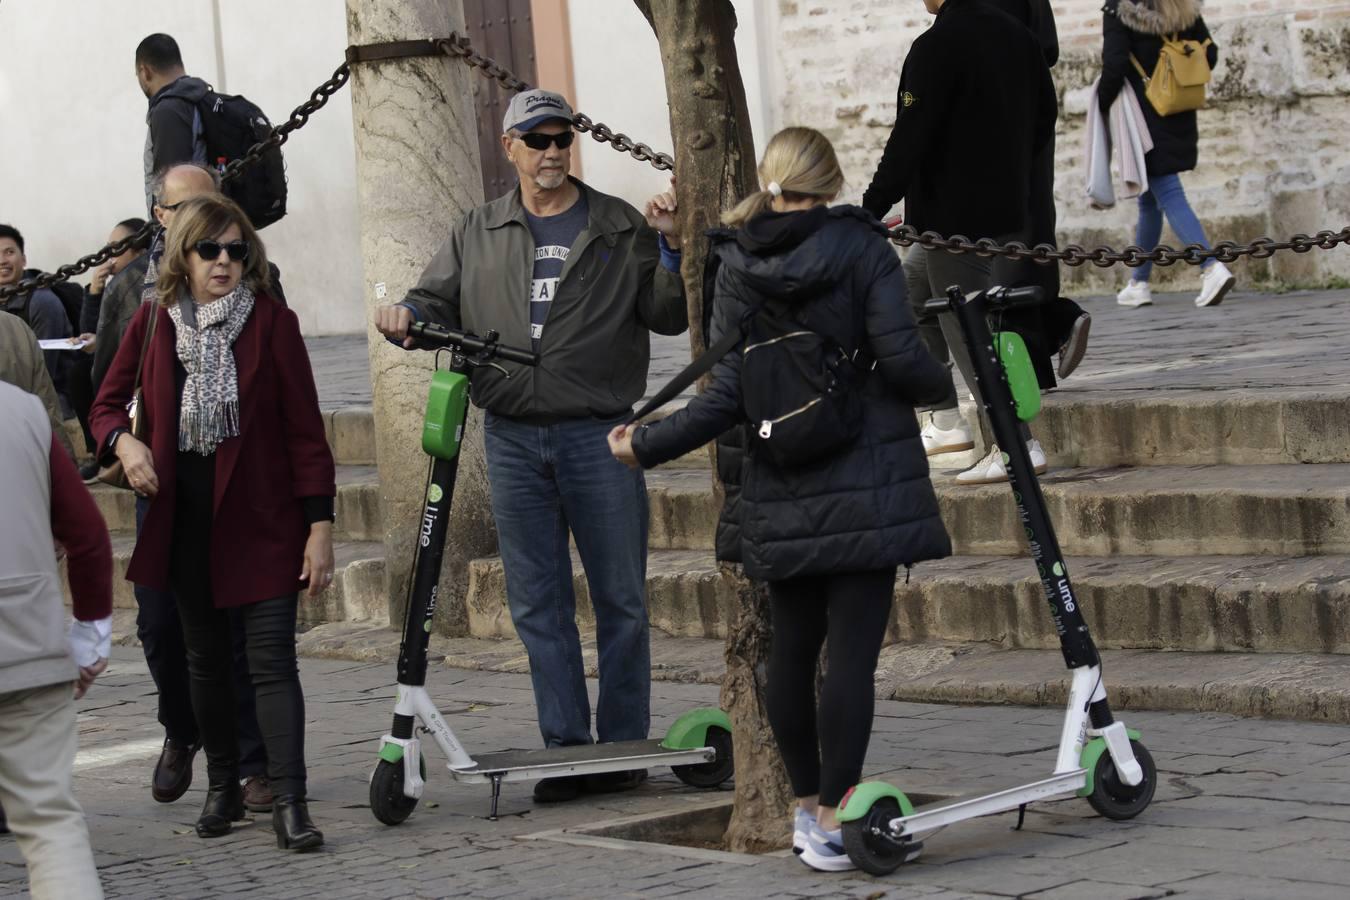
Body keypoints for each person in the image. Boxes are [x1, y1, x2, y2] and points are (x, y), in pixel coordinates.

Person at [609, 127, 952, 873]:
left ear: (771, 181)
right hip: (864, 476)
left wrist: (648, 444)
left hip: (779, 474)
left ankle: (805, 812)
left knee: (792, 654)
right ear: (830, 184)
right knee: (852, 660)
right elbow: (899, 355)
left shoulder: (735, 257)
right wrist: (945, 383)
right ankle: (839, 815)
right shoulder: (862, 249)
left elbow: (725, 390)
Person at [374, 89, 687, 803]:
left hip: (598, 435)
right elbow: (432, 300)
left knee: (621, 599)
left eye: (561, 139)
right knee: (537, 604)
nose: (551, 152)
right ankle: (569, 752)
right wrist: (408, 314)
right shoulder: (477, 229)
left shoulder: (615, 223)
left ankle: (623, 749)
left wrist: (670, 244)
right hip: (511, 438)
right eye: (537, 140)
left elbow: (667, 316)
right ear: (509, 146)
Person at [91, 195, 334, 851]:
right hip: (186, 524)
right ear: (184, 256)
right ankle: (223, 787)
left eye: (236, 251)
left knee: (272, 665)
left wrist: (320, 526)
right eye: (210, 250)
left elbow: (307, 435)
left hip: (263, 524)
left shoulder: (273, 325)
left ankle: (289, 802)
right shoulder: (152, 324)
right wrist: (125, 444)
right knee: (204, 666)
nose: (224, 263)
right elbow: (105, 407)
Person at [862, 0, 1057, 485]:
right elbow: (1044, 118)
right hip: (994, 210)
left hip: (953, 218)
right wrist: (1008, 177)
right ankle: (945, 421)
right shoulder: (1019, 38)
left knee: (966, 329)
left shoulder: (935, 46)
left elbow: (909, 137)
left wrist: (869, 207)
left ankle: (1018, 443)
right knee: (910, 296)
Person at [0, 380, 112, 899]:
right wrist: (90, 637)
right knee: (50, 825)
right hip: (29, 646)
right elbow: (87, 534)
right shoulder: (20, 409)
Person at [1100, 0, 1233, 309]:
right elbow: (1209, 54)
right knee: (1150, 200)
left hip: (1144, 115)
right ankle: (1139, 282)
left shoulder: (1118, 9)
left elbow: (1115, 64)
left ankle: (1210, 267)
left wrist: (1101, 103)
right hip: (1178, 106)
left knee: (1169, 191)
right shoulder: (1182, 5)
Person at [68, 218, 151, 479]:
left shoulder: (142, 283)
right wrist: (94, 292)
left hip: (138, 364)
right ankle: (100, 450)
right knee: (80, 373)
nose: (109, 256)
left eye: (117, 247)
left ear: (138, 252)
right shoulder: (113, 286)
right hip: (111, 359)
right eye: (108, 247)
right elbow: (91, 330)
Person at [135, 33, 210, 216]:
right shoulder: (201, 98)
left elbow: (171, 190)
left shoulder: (168, 111)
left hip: (189, 229)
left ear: (145, 72)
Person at [0, 225, 74, 394]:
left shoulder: (42, 302)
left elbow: (43, 372)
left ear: (24, 259)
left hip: (51, 405)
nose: (2, 260)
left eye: (9, 252)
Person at [0, 313, 75, 458]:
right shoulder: (15, 326)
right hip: (26, 464)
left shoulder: (15, 327)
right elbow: (48, 411)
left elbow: (47, 409)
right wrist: (67, 469)